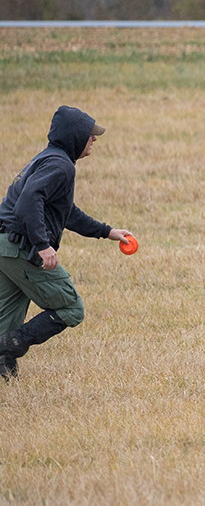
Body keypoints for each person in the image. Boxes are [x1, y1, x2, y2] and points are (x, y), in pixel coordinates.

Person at [0, 106, 135, 381]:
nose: (94, 139)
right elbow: (28, 202)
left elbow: (65, 212)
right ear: (75, 136)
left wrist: (107, 232)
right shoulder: (60, 165)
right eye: (90, 135)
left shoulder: (49, 159)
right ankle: (10, 346)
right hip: (18, 246)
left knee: (7, 319)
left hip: (5, 245)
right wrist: (42, 245)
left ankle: (6, 375)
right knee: (71, 308)